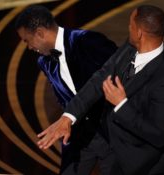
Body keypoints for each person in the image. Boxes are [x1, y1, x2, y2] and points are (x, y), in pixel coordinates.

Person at [37, 5, 164, 175]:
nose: (128, 28)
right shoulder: (130, 48)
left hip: (148, 166)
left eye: (130, 25)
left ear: (139, 33)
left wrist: (121, 104)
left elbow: (158, 134)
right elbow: (100, 78)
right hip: (119, 155)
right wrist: (68, 116)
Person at [14, 5, 118, 175]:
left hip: (112, 133)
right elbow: (64, 99)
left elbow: (121, 77)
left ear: (40, 33)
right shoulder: (44, 62)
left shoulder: (87, 41)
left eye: (26, 40)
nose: (28, 47)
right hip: (79, 135)